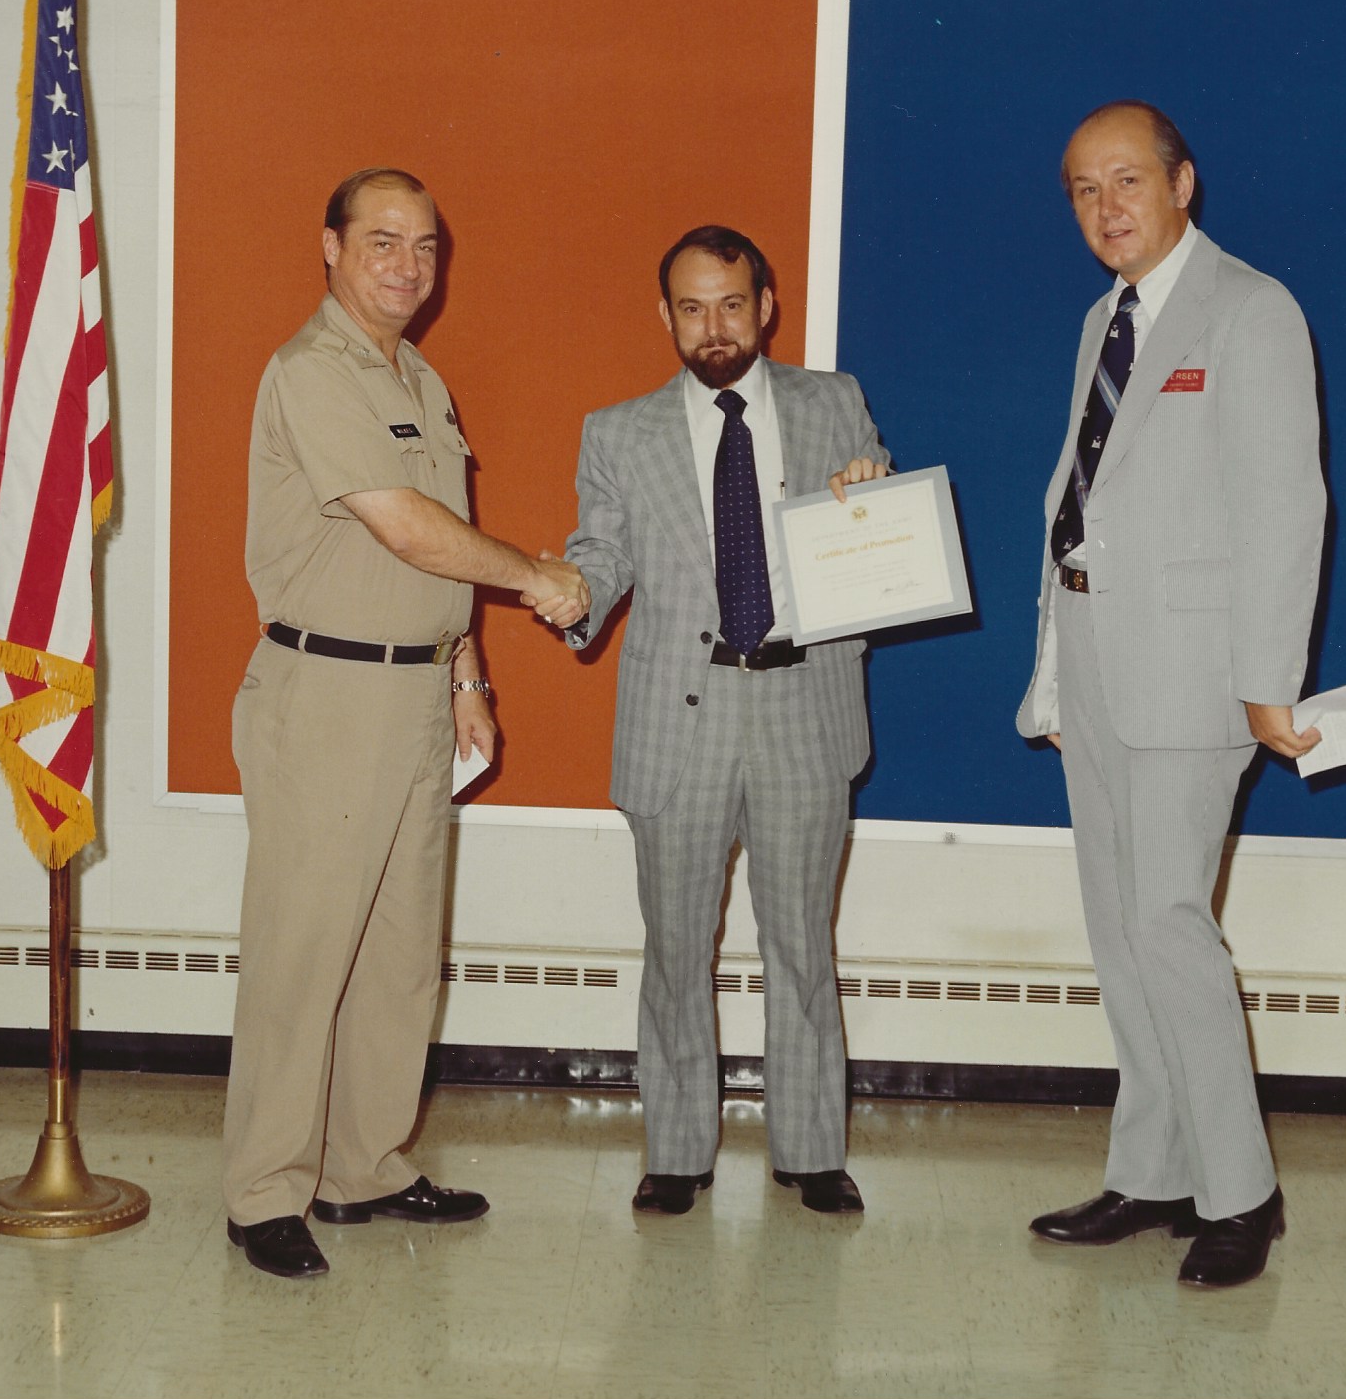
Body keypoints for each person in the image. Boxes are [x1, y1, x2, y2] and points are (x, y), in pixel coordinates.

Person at [223, 168, 588, 1279]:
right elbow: (408, 529)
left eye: (425, 245)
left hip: (417, 692)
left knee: (394, 955)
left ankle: (364, 1166)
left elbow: (439, 559)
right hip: (326, 695)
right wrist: (540, 578)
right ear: (328, 245)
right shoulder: (312, 371)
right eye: (382, 240)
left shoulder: (418, 377)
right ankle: (263, 1192)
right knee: (305, 953)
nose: (407, 265)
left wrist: (467, 670)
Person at [1017, 103, 1326, 1288]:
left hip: (1194, 678)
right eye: (1084, 189)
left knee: (1168, 926)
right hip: (1094, 659)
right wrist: (1052, 663)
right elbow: (1088, 500)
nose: (1106, 207)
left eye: (1128, 180)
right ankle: (1149, 1168)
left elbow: (1286, 509)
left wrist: (1263, 684)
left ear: (1182, 180)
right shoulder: (1107, 315)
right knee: (1118, 927)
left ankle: (1240, 1193)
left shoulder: (1252, 310)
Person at [555, 225, 888, 1216]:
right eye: (691, 309)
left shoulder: (835, 402)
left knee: (799, 939)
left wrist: (869, 493)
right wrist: (576, 590)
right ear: (665, 315)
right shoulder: (617, 432)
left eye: (732, 305)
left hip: (803, 703)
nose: (714, 328)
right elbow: (601, 552)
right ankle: (678, 1149)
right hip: (678, 715)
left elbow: (875, 506)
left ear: (767, 304)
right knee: (675, 943)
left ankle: (812, 1147)